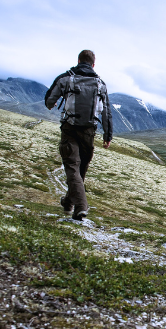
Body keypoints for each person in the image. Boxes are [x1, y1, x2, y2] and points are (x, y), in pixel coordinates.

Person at [44, 50, 113, 220]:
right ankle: (69, 204)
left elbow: (49, 101)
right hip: (89, 132)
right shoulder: (101, 84)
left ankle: (80, 205)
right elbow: (106, 112)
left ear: (78, 60)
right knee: (80, 169)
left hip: (69, 128)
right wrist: (107, 135)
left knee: (72, 167)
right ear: (93, 64)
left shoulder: (66, 78)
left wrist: (52, 104)